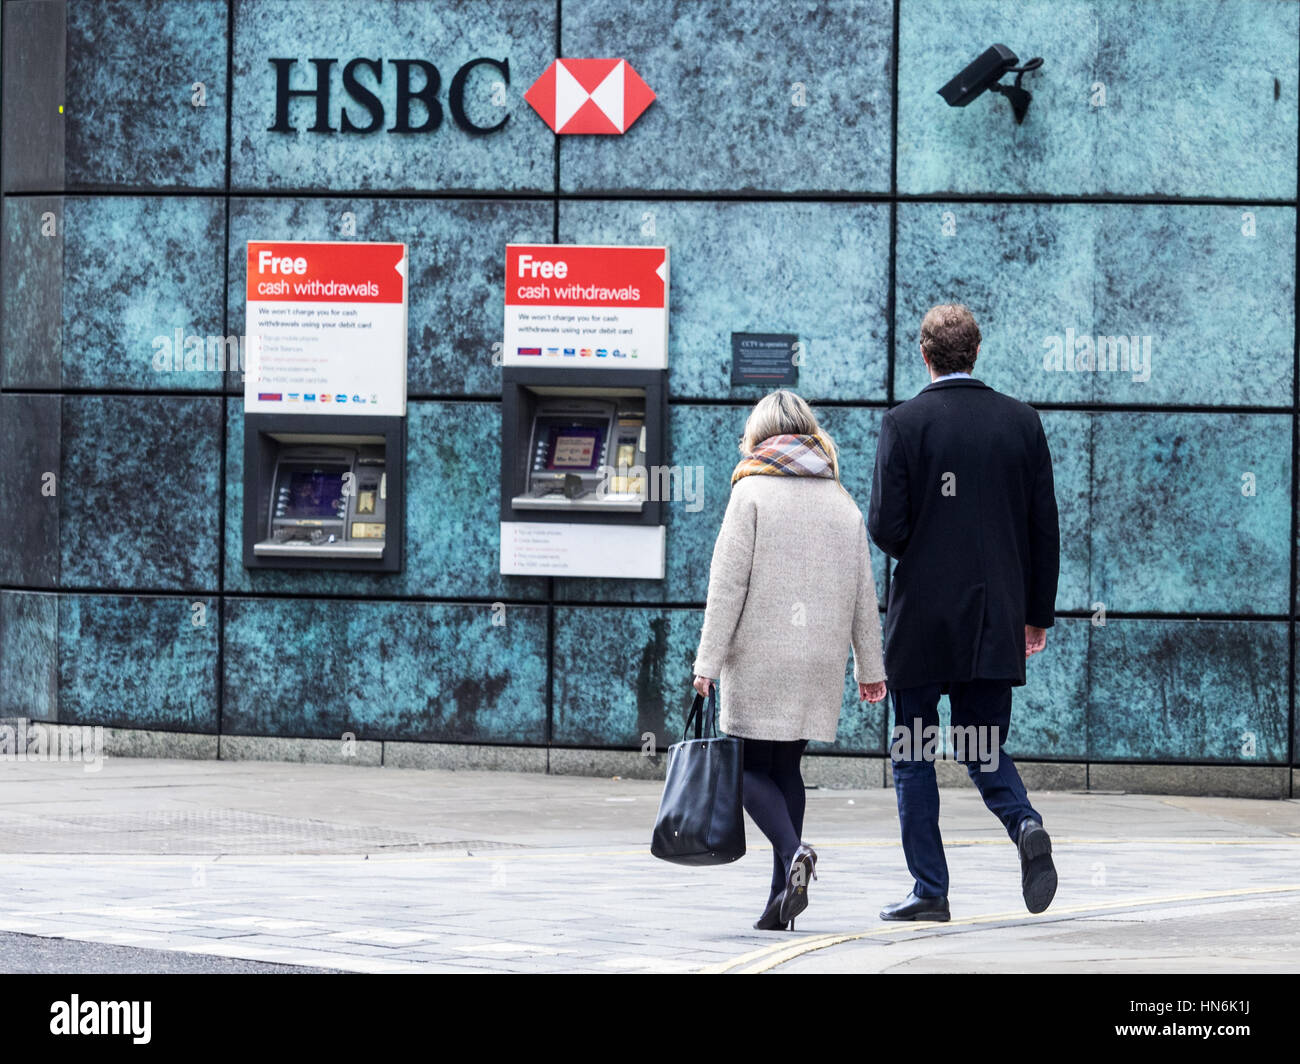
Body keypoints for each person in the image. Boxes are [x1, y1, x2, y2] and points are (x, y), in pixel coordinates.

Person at [867, 304, 1061, 922]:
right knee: (981, 745)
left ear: (923, 355)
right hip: (994, 618)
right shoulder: (1022, 424)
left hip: (922, 620)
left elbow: (886, 528)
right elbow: (1043, 532)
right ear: (977, 353)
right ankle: (1024, 821)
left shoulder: (904, 424)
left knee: (915, 750)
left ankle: (931, 890)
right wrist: (1036, 616)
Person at [692, 390, 887, 932]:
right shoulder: (840, 500)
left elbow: (726, 587)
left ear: (760, 434)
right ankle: (781, 900)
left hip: (759, 656)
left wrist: (706, 662)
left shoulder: (749, 493)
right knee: (785, 769)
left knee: (746, 770)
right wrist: (870, 668)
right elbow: (861, 591)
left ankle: (795, 851)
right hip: (817, 660)